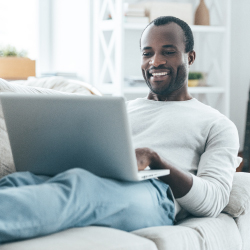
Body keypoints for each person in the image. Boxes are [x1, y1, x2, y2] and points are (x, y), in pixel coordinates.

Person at [0, 16, 240, 244]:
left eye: (168, 52)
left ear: (190, 57)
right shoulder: (117, 110)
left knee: (82, 189)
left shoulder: (217, 124)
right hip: (95, 177)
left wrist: (155, 160)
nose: (155, 61)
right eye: (147, 53)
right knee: (21, 181)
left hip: (153, 195)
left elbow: (213, 200)